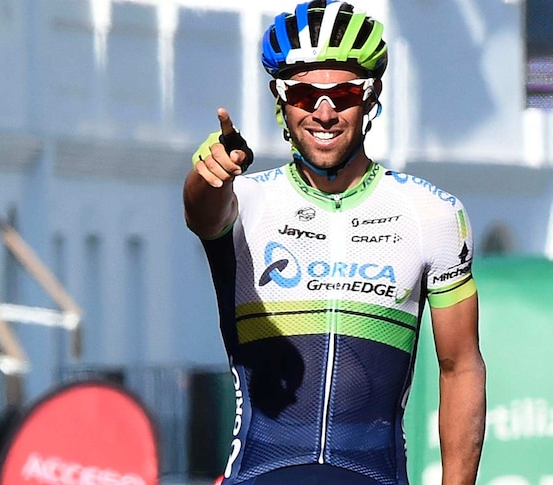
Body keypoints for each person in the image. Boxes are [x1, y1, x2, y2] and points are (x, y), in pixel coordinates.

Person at [182, 1, 485, 484]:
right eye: (304, 94)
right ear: (281, 100)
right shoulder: (246, 199)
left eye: (342, 94)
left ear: (371, 97)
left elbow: (461, 366)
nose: (323, 113)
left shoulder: (432, 213)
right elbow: (202, 211)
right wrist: (208, 173)